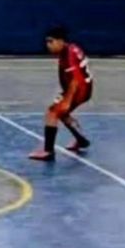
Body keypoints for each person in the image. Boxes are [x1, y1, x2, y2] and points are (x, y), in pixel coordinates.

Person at [29, 27, 93, 161]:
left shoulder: (69, 56)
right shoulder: (71, 49)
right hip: (83, 88)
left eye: (51, 42)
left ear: (61, 41)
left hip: (79, 90)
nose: (48, 45)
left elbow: (75, 80)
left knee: (53, 112)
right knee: (61, 113)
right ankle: (81, 140)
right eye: (47, 42)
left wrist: (67, 101)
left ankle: (48, 151)